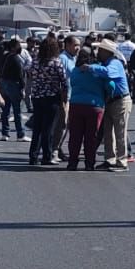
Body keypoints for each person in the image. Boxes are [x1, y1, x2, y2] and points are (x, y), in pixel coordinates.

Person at [26, 36, 69, 166]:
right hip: (52, 98)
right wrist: (64, 99)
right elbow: (64, 82)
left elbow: (28, 73)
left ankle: (33, 156)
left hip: (37, 97)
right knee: (48, 128)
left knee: (37, 128)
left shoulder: (34, 62)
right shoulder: (56, 62)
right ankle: (47, 156)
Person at [65, 50, 110, 170]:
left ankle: (72, 162)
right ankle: (89, 163)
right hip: (94, 106)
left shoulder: (75, 71)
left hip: (76, 104)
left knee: (75, 136)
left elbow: (72, 84)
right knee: (91, 137)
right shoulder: (98, 71)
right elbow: (110, 85)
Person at [96, 40, 131, 171]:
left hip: (120, 100)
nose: (98, 53)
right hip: (111, 100)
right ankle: (109, 159)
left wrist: (91, 68)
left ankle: (122, 161)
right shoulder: (106, 63)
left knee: (120, 132)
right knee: (108, 132)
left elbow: (107, 73)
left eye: (100, 50)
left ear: (107, 52)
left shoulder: (114, 63)